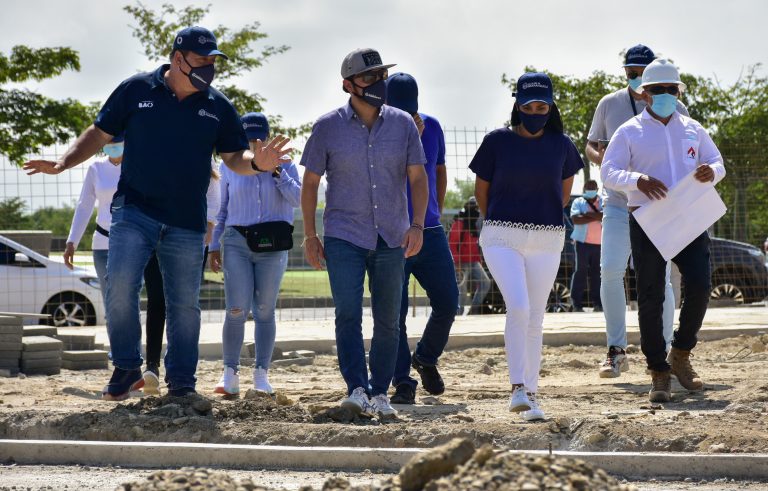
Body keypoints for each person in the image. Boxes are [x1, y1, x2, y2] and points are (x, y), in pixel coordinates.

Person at [24, 26, 290, 400]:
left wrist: (257, 163)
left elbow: (234, 156)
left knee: (184, 304)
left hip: (186, 220)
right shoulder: (136, 90)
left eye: (214, 62)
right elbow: (100, 133)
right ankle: (127, 367)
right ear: (178, 58)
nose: (210, 68)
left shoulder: (216, 105)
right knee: (118, 284)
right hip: (135, 210)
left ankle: (181, 382)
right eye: (202, 61)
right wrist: (63, 161)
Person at [300, 48, 428, 419]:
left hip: (392, 235)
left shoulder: (403, 124)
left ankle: (380, 392)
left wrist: (417, 224)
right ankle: (356, 388)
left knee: (390, 319)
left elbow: (418, 179)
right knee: (348, 314)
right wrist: (310, 235)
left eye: (381, 76)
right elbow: (310, 183)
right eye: (370, 77)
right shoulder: (327, 127)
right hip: (343, 236)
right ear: (348, 84)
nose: (379, 83)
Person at [601, 59, 726, 403]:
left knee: (700, 285)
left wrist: (710, 173)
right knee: (651, 294)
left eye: (671, 89)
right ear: (644, 94)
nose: (665, 95)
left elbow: (718, 163)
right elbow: (608, 172)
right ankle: (658, 369)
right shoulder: (628, 131)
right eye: (658, 90)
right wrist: (636, 179)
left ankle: (681, 353)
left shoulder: (693, 128)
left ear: (679, 92)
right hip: (648, 220)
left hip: (689, 217)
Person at [470, 72, 582, 421]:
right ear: (517, 105)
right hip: (502, 237)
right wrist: (501, 221)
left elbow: (563, 195)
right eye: (529, 105)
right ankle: (516, 387)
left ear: (550, 107)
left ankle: (531, 394)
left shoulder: (562, 145)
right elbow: (481, 192)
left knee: (536, 316)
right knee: (517, 306)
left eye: (542, 106)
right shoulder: (496, 142)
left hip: (547, 239)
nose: (536, 111)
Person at [585, 45, 689, 378]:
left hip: (658, 205)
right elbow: (590, 143)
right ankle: (616, 350)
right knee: (611, 271)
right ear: (625, 73)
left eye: (642, 72)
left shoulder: (678, 106)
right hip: (618, 201)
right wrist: (607, 161)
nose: (636, 77)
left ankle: (663, 351)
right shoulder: (609, 104)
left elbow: (690, 148)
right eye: (631, 72)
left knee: (663, 280)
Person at [209, 112, 301, 396]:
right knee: (236, 309)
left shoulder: (287, 165)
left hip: (273, 245)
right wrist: (214, 244)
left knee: (264, 310)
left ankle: (261, 374)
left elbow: (298, 199)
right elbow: (222, 209)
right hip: (237, 241)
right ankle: (230, 374)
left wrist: (276, 172)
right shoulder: (229, 167)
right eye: (249, 138)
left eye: (259, 137)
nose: (255, 143)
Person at [384, 72, 458, 405]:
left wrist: (434, 212)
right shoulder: (375, 133)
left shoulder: (433, 126)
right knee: (393, 313)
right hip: (391, 235)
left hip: (430, 232)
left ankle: (426, 357)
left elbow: (438, 171)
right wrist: (404, 141)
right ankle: (403, 381)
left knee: (448, 302)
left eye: (409, 110)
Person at [141, 165, 221, 395]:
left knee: (183, 305)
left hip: (190, 237)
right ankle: (152, 366)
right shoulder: (153, 151)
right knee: (157, 300)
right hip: (155, 234)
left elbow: (214, 197)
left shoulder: (206, 159)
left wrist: (209, 225)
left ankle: (178, 375)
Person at [63, 135, 124, 297]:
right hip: (103, 242)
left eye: (116, 143)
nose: (112, 146)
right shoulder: (96, 168)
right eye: (108, 143)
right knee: (109, 297)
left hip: (131, 242)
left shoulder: (137, 167)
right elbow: (84, 206)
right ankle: (112, 323)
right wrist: (72, 242)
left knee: (126, 297)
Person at [448, 197, 491, 315]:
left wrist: (479, 261)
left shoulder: (475, 225)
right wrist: (456, 263)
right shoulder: (459, 223)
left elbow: (475, 246)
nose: (477, 211)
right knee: (461, 292)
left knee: (485, 283)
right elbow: (452, 244)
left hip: (473, 262)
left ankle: (473, 311)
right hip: (460, 263)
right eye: (475, 208)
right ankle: (457, 317)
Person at [569, 180, 603, 312]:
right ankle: (576, 304)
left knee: (597, 274)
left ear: (597, 188)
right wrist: (597, 216)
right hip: (582, 243)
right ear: (584, 188)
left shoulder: (602, 201)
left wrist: (586, 215)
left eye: (593, 188)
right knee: (580, 272)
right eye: (588, 188)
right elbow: (576, 219)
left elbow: (605, 215)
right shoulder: (578, 202)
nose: (590, 189)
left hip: (599, 244)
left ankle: (598, 304)